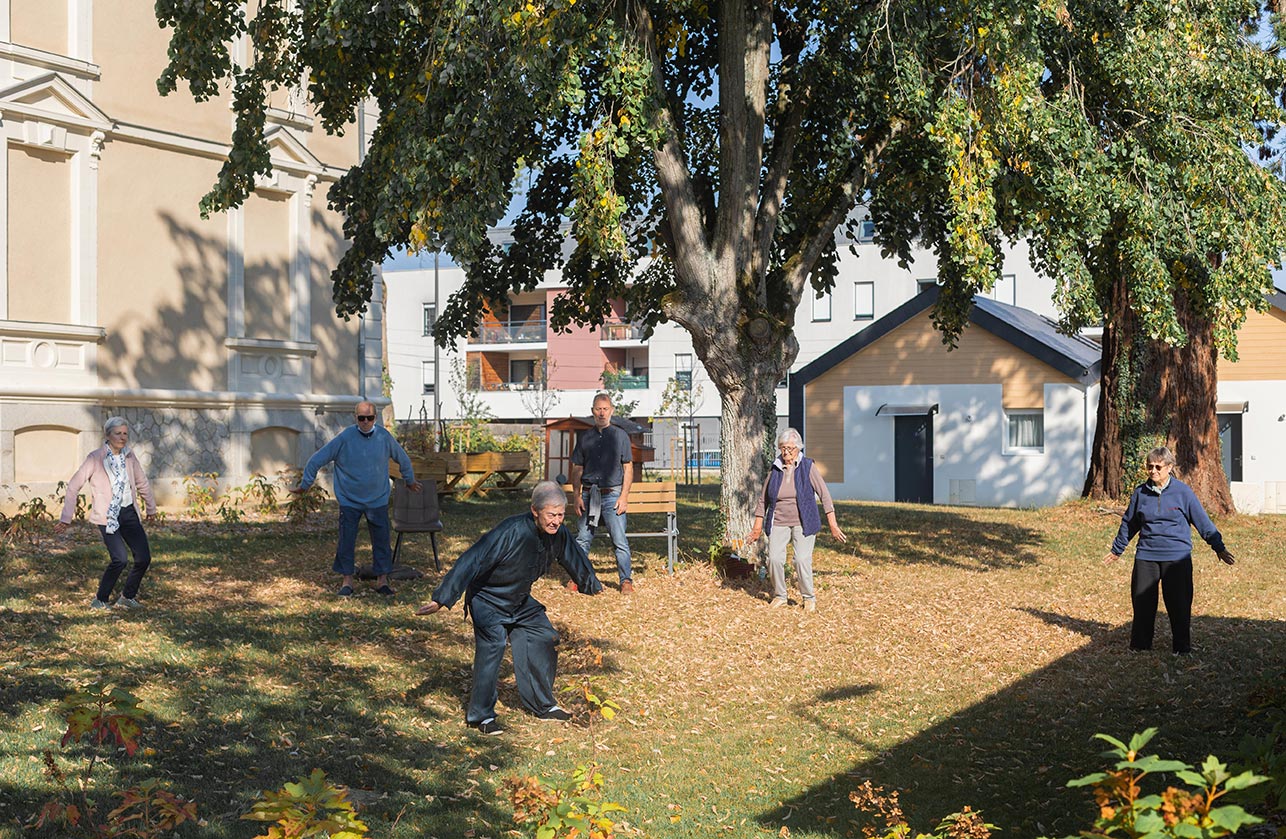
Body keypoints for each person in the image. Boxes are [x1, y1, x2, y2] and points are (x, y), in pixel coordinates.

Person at [415, 480, 602, 734]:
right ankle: (480, 716)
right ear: (535, 511)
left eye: (560, 515)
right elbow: (473, 558)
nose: (556, 521)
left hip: (519, 600)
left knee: (542, 635)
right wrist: (442, 597)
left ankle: (542, 704)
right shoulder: (510, 531)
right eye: (551, 515)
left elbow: (574, 556)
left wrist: (590, 583)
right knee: (494, 644)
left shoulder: (558, 534)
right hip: (487, 599)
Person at [1103, 445, 1235, 654]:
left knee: (1179, 604)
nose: (1153, 471)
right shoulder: (1140, 493)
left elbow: (1202, 521)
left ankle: (1181, 648)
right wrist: (1117, 550)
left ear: (1170, 467)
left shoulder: (1183, 492)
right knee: (1142, 603)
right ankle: (1140, 646)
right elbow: (1129, 523)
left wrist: (1218, 547)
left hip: (1177, 557)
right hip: (1146, 556)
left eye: (1158, 466)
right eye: (1149, 467)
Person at [292, 401, 421, 597]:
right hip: (350, 500)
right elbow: (317, 459)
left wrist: (410, 480)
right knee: (347, 541)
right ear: (355, 418)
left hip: (377, 499)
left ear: (376, 418)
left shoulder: (383, 437)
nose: (366, 422)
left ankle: (382, 581)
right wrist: (305, 483)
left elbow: (402, 458)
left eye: (369, 418)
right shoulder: (345, 438)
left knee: (382, 541)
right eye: (361, 418)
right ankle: (347, 582)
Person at [54, 417, 157, 610]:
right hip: (108, 516)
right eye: (118, 433)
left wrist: (151, 508)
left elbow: (142, 482)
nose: (122, 437)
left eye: (125, 433)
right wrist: (66, 518)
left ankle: (127, 597)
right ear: (107, 435)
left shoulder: (129, 456)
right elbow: (74, 486)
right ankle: (100, 600)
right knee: (120, 559)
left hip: (129, 513)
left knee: (143, 558)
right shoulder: (95, 458)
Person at [746, 428, 847, 612]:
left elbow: (824, 495)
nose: (786, 453)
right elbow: (763, 500)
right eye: (783, 448)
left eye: (790, 449)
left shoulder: (808, 467)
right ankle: (780, 595)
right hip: (778, 521)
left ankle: (808, 597)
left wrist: (833, 524)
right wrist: (756, 528)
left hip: (803, 522)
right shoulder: (775, 468)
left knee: (801, 560)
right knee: (774, 559)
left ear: (798, 448)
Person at [569, 392, 634, 592]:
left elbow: (628, 468)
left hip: (612, 495)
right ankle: (576, 578)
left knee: (619, 540)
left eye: (605, 409)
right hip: (589, 495)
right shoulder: (585, 437)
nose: (602, 413)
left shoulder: (620, 436)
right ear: (592, 411)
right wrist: (577, 496)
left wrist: (624, 497)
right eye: (598, 409)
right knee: (582, 540)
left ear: (611, 411)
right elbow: (577, 469)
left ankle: (625, 581)